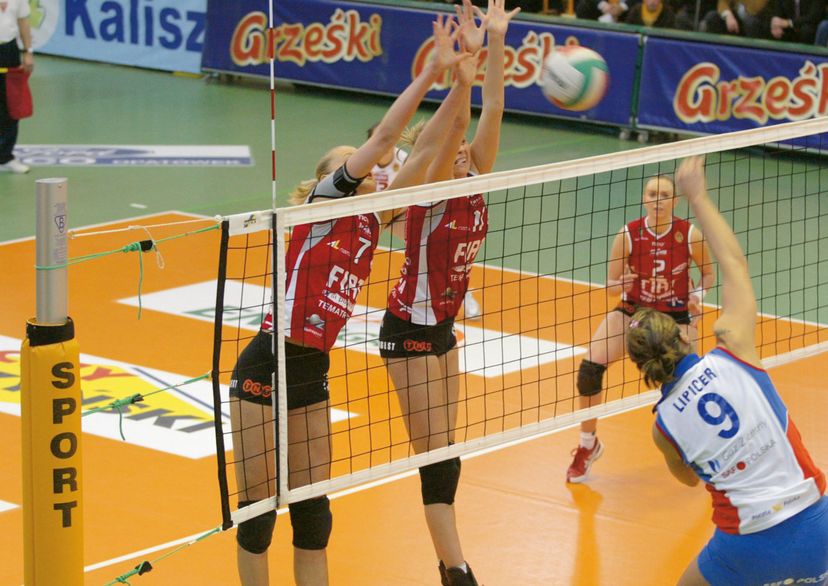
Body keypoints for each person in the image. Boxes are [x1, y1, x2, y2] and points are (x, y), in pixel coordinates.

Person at [228, 16, 474, 586]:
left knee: (315, 518)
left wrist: (459, 82)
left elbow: (434, 145)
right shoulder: (320, 209)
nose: (370, 164)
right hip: (267, 365)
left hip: (312, 373)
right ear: (332, 177)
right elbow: (387, 140)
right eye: (353, 160)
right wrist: (429, 73)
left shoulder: (372, 218)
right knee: (259, 514)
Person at [626, 156, 828, 584]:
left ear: (643, 366)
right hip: (817, 525)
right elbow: (735, 265)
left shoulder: (663, 428)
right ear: (684, 335)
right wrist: (696, 196)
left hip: (746, 548)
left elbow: (688, 481)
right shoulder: (733, 349)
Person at [378, 2, 519, 584]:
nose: (463, 153)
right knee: (435, 454)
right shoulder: (431, 190)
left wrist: (494, 48)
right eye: (453, 151)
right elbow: (458, 126)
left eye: (466, 155)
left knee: (447, 454)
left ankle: (447, 562)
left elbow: (492, 112)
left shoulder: (477, 175)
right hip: (406, 330)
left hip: (443, 331)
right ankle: (459, 571)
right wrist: (458, 70)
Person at [566, 173, 715, 483]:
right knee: (590, 369)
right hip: (633, 311)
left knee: (691, 384)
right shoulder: (629, 234)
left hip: (675, 316)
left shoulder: (689, 235)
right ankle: (587, 445)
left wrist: (696, 298)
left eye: (663, 195)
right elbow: (610, 286)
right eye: (652, 194)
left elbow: (709, 275)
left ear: (675, 201)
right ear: (644, 199)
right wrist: (621, 283)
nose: (657, 200)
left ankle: (705, 448)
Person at [0, 0, 33, 174]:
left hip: (8, 51)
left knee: (10, 105)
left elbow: (23, 22)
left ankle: (5, 157)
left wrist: (28, 51)